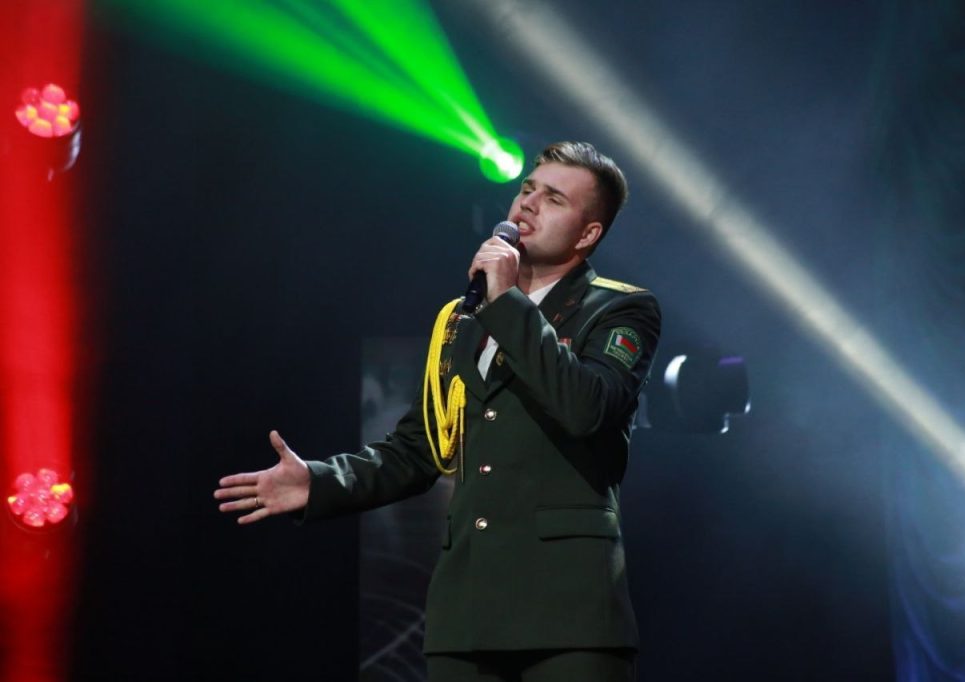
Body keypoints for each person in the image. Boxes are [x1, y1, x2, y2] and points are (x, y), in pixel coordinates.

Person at [215, 141, 661, 681]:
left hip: (569, 614)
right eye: (527, 189)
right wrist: (321, 482)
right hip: (465, 615)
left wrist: (508, 302)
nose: (528, 203)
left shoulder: (619, 308)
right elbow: (420, 448)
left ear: (587, 235)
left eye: (554, 199)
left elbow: (586, 406)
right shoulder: (461, 318)